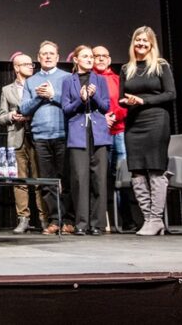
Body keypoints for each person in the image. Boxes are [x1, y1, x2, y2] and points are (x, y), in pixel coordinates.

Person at [118, 27, 176, 236]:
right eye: (138, 40)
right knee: (137, 171)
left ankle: (156, 218)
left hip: (156, 121)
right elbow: (121, 99)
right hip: (134, 123)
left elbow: (170, 94)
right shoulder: (126, 68)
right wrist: (128, 102)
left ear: (152, 44)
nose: (141, 44)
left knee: (155, 168)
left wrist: (144, 101)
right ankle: (148, 219)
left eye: (145, 41)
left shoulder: (161, 66)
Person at [20, 41, 73, 234]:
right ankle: (55, 220)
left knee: (65, 180)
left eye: (51, 53)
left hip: (63, 135)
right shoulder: (31, 81)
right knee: (47, 181)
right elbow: (24, 109)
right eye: (44, 54)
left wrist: (52, 95)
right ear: (39, 57)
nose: (48, 56)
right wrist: (39, 97)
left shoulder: (67, 77)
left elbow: (73, 104)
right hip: (40, 137)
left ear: (58, 57)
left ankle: (69, 220)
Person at [62, 45, 111, 235]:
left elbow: (105, 107)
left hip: (98, 133)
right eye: (85, 56)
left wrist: (94, 95)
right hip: (78, 133)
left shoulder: (100, 80)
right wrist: (81, 100)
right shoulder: (69, 81)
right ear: (76, 59)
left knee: (99, 179)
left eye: (91, 56)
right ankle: (81, 224)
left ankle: (97, 224)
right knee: (80, 179)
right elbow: (66, 109)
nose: (90, 59)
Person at [0, 52, 46, 233]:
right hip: (16, 138)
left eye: (31, 64)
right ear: (16, 68)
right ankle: (23, 219)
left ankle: (44, 218)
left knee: (39, 180)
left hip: (36, 135)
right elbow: (1, 117)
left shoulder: (39, 85)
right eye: (26, 64)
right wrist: (12, 116)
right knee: (19, 181)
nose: (30, 67)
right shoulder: (7, 90)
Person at [94, 45, 128, 231]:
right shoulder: (89, 79)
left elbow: (124, 102)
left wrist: (115, 116)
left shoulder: (117, 79)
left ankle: (127, 219)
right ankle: (102, 220)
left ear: (109, 59)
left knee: (122, 176)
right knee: (100, 176)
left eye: (104, 56)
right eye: (96, 56)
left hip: (119, 131)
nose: (100, 59)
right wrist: (102, 119)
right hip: (99, 132)